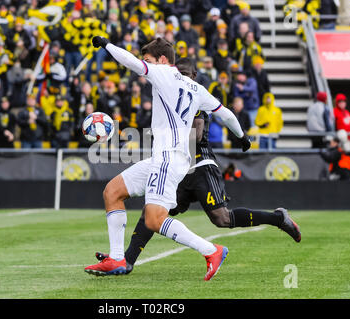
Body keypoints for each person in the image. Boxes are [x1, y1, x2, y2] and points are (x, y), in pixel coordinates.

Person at [94, 59, 301, 275]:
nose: (182, 76)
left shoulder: (194, 98)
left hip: (200, 165)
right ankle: (126, 261)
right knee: (152, 212)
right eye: (178, 72)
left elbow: (198, 134)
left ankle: (277, 218)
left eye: (186, 73)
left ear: (194, 76)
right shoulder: (171, 96)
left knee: (222, 219)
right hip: (179, 168)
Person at [85, 37, 251, 281]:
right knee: (113, 191)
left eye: (149, 60)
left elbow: (130, 62)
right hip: (162, 158)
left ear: (163, 61)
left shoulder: (163, 73)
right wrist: (242, 136)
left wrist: (107, 44)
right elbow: (225, 114)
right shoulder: (196, 89)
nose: (146, 64)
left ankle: (211, 250)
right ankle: (117, 258)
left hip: (168, 159)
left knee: (153, 219)